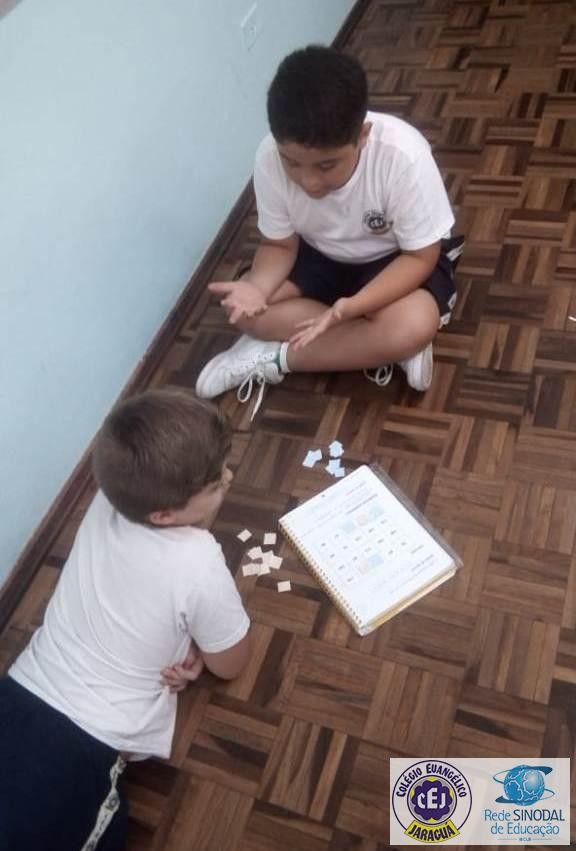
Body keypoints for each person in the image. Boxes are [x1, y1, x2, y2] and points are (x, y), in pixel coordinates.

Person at [0, 388, 250, 851]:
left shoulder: (110, 499)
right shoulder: (199, 562)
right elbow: (231, 663)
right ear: (164, 514)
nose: (229, 479)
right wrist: (202, 644)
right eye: (216, 484)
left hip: (17, 693)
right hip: (82, 744)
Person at [196, 45, 463, 414]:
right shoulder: (269, 157)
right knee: (248, 313)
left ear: (363, 135)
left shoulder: (403, 156)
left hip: (393, 260)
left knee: (414, 325)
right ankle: (382, 347)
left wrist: (348, 310)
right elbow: (279, 246)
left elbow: (420, 257)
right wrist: (257, 289)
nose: (308, 182)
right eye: (292, 163)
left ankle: (277, 358)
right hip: (319, 256)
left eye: (326, 165)